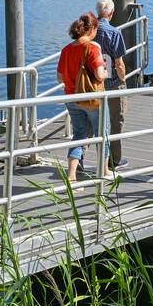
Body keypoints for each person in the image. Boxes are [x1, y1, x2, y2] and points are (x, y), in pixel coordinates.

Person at [57, 11, 110, 182]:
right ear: (92, 28)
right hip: (92, 99)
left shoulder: (66, 49)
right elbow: (99, 75)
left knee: (78, 135)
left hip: (72, 98)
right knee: (102, 133)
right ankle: (104, 169)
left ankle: (71, 175)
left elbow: (60, 77)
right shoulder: (93, 48)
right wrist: (107, 73)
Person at [94, 0, 128, 168]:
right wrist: (123, 79)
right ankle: (115, 159)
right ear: (112, 14)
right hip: (113, 81)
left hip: (93, 83)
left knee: (90, 122)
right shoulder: (114, 33)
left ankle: (80, 160)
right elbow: (119, 63)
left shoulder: (89, 31)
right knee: (116, 120)